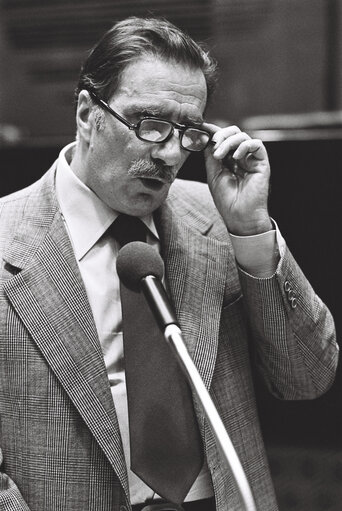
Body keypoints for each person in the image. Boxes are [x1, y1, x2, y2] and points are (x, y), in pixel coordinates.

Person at [0, 16, 338, 511]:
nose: (170, 152)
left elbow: (306, 375)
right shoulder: (9, 239)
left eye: (188, 132)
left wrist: (250, 229)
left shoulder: (217, 218)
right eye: (149, 123)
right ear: (87, 113)